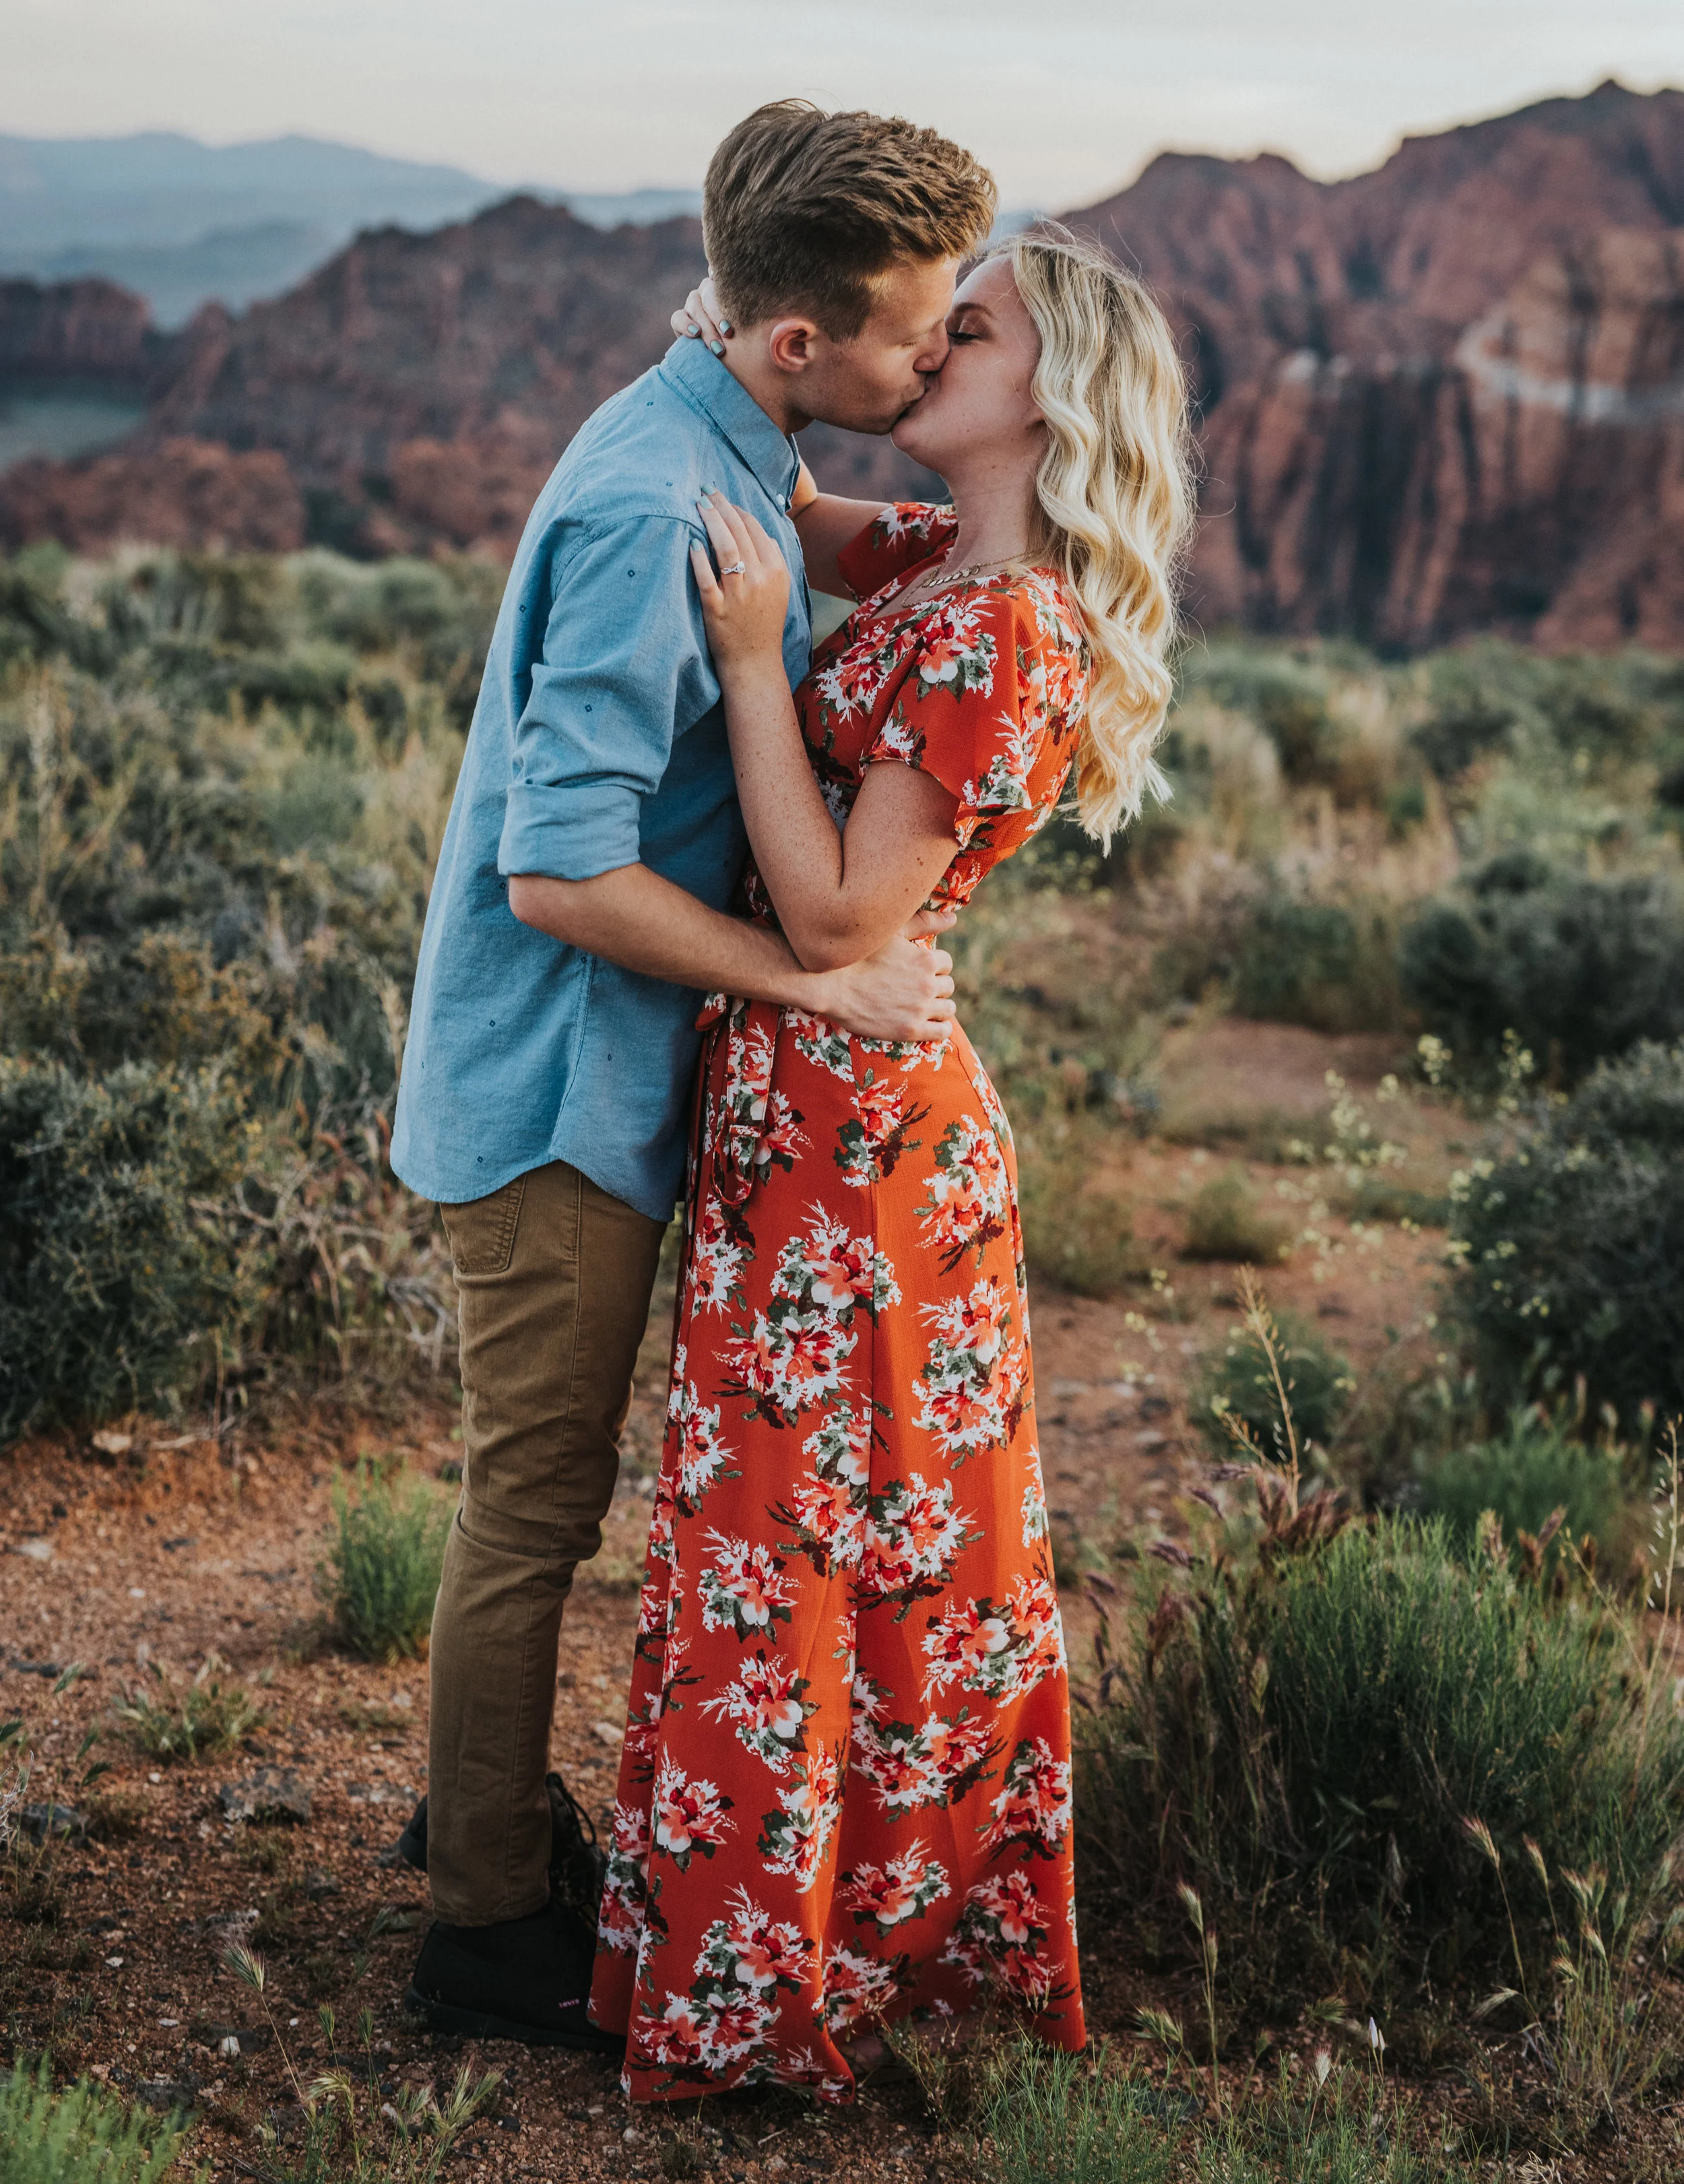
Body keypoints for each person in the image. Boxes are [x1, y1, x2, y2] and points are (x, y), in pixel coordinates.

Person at [390, 101, 999, 2045]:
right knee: (530, 1518)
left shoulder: (717, 420)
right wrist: (815, 990)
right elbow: (557, 871)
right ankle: (482, 1926)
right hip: (560, 1099)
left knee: (535, 1505)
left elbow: (884, 543)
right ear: (800, 346)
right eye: (917, 334)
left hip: (589, 1082)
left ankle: (482, 1824)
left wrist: (1024, 547)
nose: (936, 361)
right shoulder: (668, 506)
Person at [589, 227, 1194, 2099]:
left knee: (810, 1561)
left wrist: (758, 665)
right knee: (805, 1552)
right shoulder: (945, 563)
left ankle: (797, 1993)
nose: (932, 341)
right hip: (816, 1130)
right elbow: (772, 472)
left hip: (864, 1154)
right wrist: (726, 323)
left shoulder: (1009, 629)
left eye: (974, 324)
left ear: (1052, 390)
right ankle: (785, 1964)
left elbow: (847, 916)